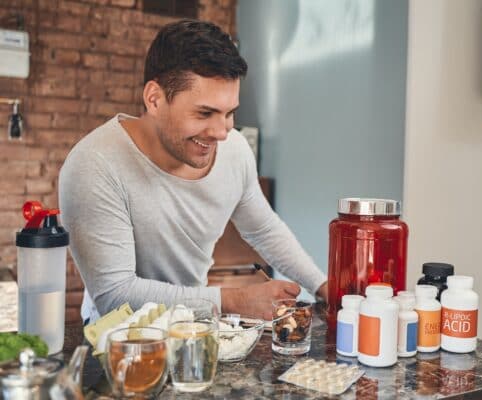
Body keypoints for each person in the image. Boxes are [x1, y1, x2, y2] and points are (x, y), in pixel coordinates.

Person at [58, 20, 327, 323]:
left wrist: (322, 285)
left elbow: (263, 228)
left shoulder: (235, 150)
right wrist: (235, 300)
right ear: (154, 99)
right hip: (119, 343)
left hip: (195, 329)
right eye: (204, 113)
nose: (222, 132)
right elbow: (116, 295)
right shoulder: (94, 164)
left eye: (229, 113)